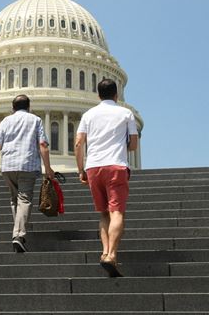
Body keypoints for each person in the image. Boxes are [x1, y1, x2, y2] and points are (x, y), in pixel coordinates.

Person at [75, 79, 138, 277]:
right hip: (116, 165)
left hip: (93, 167)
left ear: (98, 95)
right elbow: (134, 144)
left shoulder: (88, 115)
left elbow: (78, 144)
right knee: (117, 212)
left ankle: (104, 252)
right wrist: (122, 146)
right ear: (116, 95)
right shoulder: (125, 113)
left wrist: (80, 170)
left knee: (103, 213)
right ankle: (112, 254)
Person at [0, 94, 54, 253]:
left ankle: (18, 232)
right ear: (29, 107)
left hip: (8, 166)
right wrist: (48, 168)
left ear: (13, 108)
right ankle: (18, 235)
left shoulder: (5, 122)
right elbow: (43, 144)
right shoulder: (35, 120)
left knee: (14, 199)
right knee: (24, 199)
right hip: (27, 164)